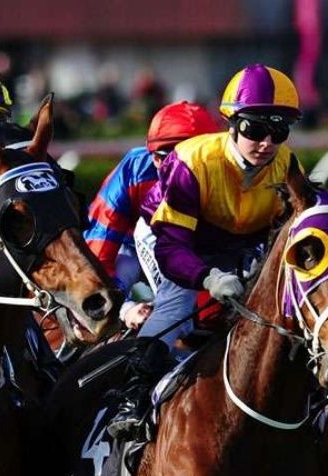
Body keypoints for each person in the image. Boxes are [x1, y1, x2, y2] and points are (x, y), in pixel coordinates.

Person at [108, 64, 303, 441]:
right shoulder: (192, 161)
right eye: (254, 129)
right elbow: (171, 248)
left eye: (278, 131)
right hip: (174, 236)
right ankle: (131, 398)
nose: (266, 143)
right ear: (232, 123)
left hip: (241, 240)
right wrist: (207, 278)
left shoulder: (287, 165)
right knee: (177, 305)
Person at [82, 101, 221, 331]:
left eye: (192, 158)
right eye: (165, 157)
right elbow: (98, 251)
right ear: (152, 155)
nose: (178, 168)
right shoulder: (134, 169)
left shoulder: (227, 172)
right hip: (136, 249)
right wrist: (124, 309)